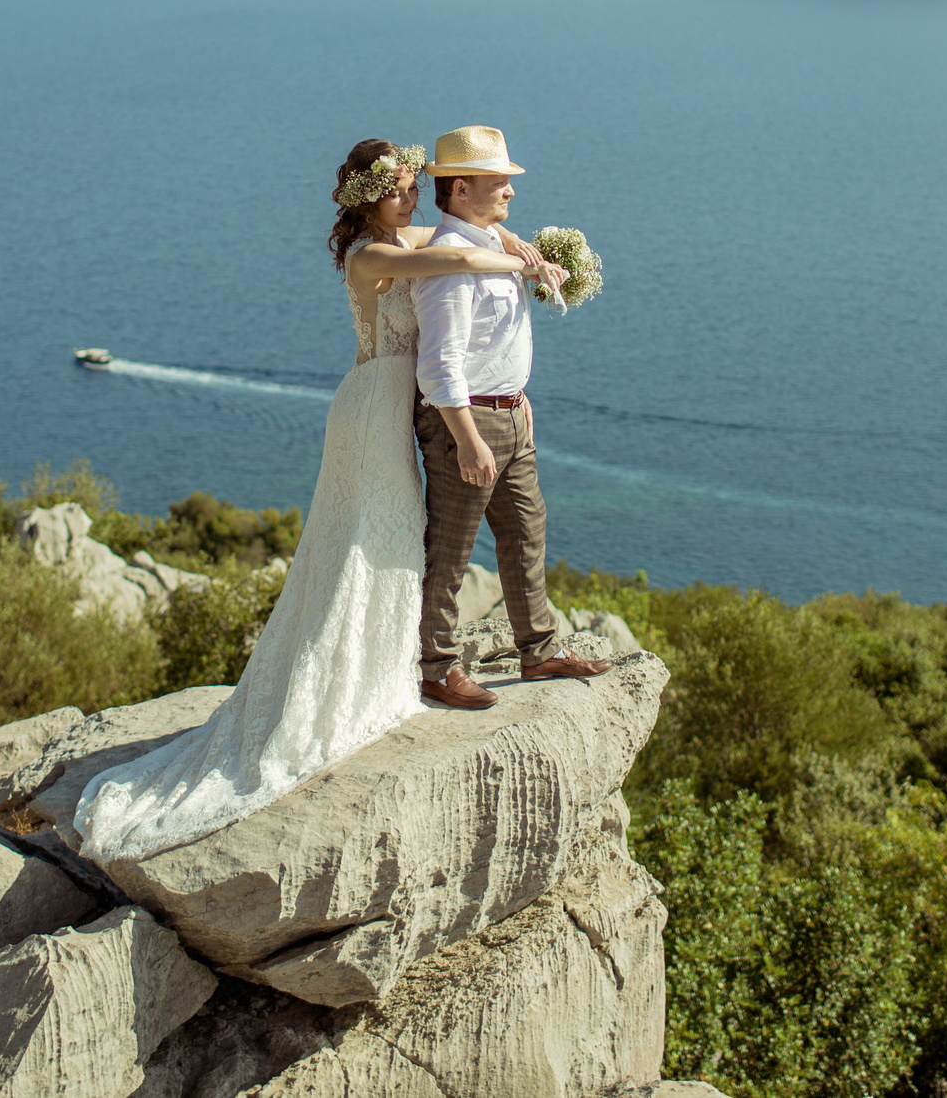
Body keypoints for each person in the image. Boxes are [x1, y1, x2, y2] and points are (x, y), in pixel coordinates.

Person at [73, 137, 564, 864]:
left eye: (410, 187)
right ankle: (401, 666)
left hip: (404, 407)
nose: (410, 198)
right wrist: (514, 261)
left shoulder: (411, 234)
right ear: (369, 198)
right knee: (373, 535)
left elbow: (480, 236)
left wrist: (531, 250)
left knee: (392, 544)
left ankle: (397, 658)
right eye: (399, 189)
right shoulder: (370, 255)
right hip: (373, 406)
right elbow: (463, 257)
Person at [412, 125, 610, 710]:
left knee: (526, 534)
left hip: (510, 415)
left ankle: (539, 650)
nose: (511, 191)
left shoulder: (496, 243)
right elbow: (439, 365)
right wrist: (469, 440)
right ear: (461, 189)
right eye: (498, 182)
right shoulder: (450, 265)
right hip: (467, 423)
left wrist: (516, 400)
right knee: (450, 548)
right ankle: (438, 668)